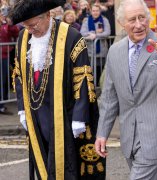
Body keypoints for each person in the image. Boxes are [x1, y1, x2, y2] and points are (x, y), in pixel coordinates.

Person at [94, 0, 157, 179]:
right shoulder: (115, 51)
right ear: (121, 23)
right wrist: (102, 133)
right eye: (132, 19)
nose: (139, 24)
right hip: (129, 136)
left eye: (142, 18)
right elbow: (109, 98)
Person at [10, 0, 105, 179]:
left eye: (33, 25)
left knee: (67, 164)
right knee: (43, 161)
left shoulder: (71, 36)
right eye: (26, 26)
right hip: (36, 114)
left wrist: (79, 116)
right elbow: (18, 74)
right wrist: (22, 108)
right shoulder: (23, 37)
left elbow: (83, 77)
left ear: (48, 15)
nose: (30, 30)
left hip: (64, 114)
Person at [0, 5, 19, 115]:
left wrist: (9, 24)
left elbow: (15, 33)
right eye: (1, 12)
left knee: (3, 80)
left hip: (4, 55)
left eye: (4, 12)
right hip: (2, 54)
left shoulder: (6, 25)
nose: (3, 14)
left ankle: (2, 105)